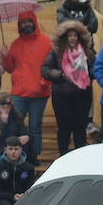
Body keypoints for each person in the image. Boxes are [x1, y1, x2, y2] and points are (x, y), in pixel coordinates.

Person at [2, 11, 52, 166]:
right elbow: (10, 68)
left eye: (28, 21)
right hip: (19, 93)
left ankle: (33, 157)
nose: (26, 25)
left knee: (35, 128)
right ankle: (14, 156)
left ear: (34, 22)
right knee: (15, 126)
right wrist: (5, 56)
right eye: (22, 22)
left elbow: (51, 65)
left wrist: (45, 81)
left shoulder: (46, 42)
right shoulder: (15, 44)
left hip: (39, 93)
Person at [41, 21, 95, 157]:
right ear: (64, 37)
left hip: (82, 96)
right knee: (64, 128)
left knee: (80, 128)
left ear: (80, 37)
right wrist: (61, 75)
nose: (72, 38)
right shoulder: (56, 53)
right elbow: (45, 70)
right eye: (70, 35)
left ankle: (80, 156)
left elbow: (96, 69)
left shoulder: (87, 53)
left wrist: (87, 73)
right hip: (62, 96)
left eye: (75, 35)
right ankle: (63, 155)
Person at [0, 135, 34, 205]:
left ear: (21, 150)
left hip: (23, 199)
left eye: (16, 149)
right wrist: (12, 196)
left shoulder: (28, 168)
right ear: (5, 150)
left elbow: (30, 188)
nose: (13, 152)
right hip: (3, 200)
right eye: (10, 149)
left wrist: (23, 196)